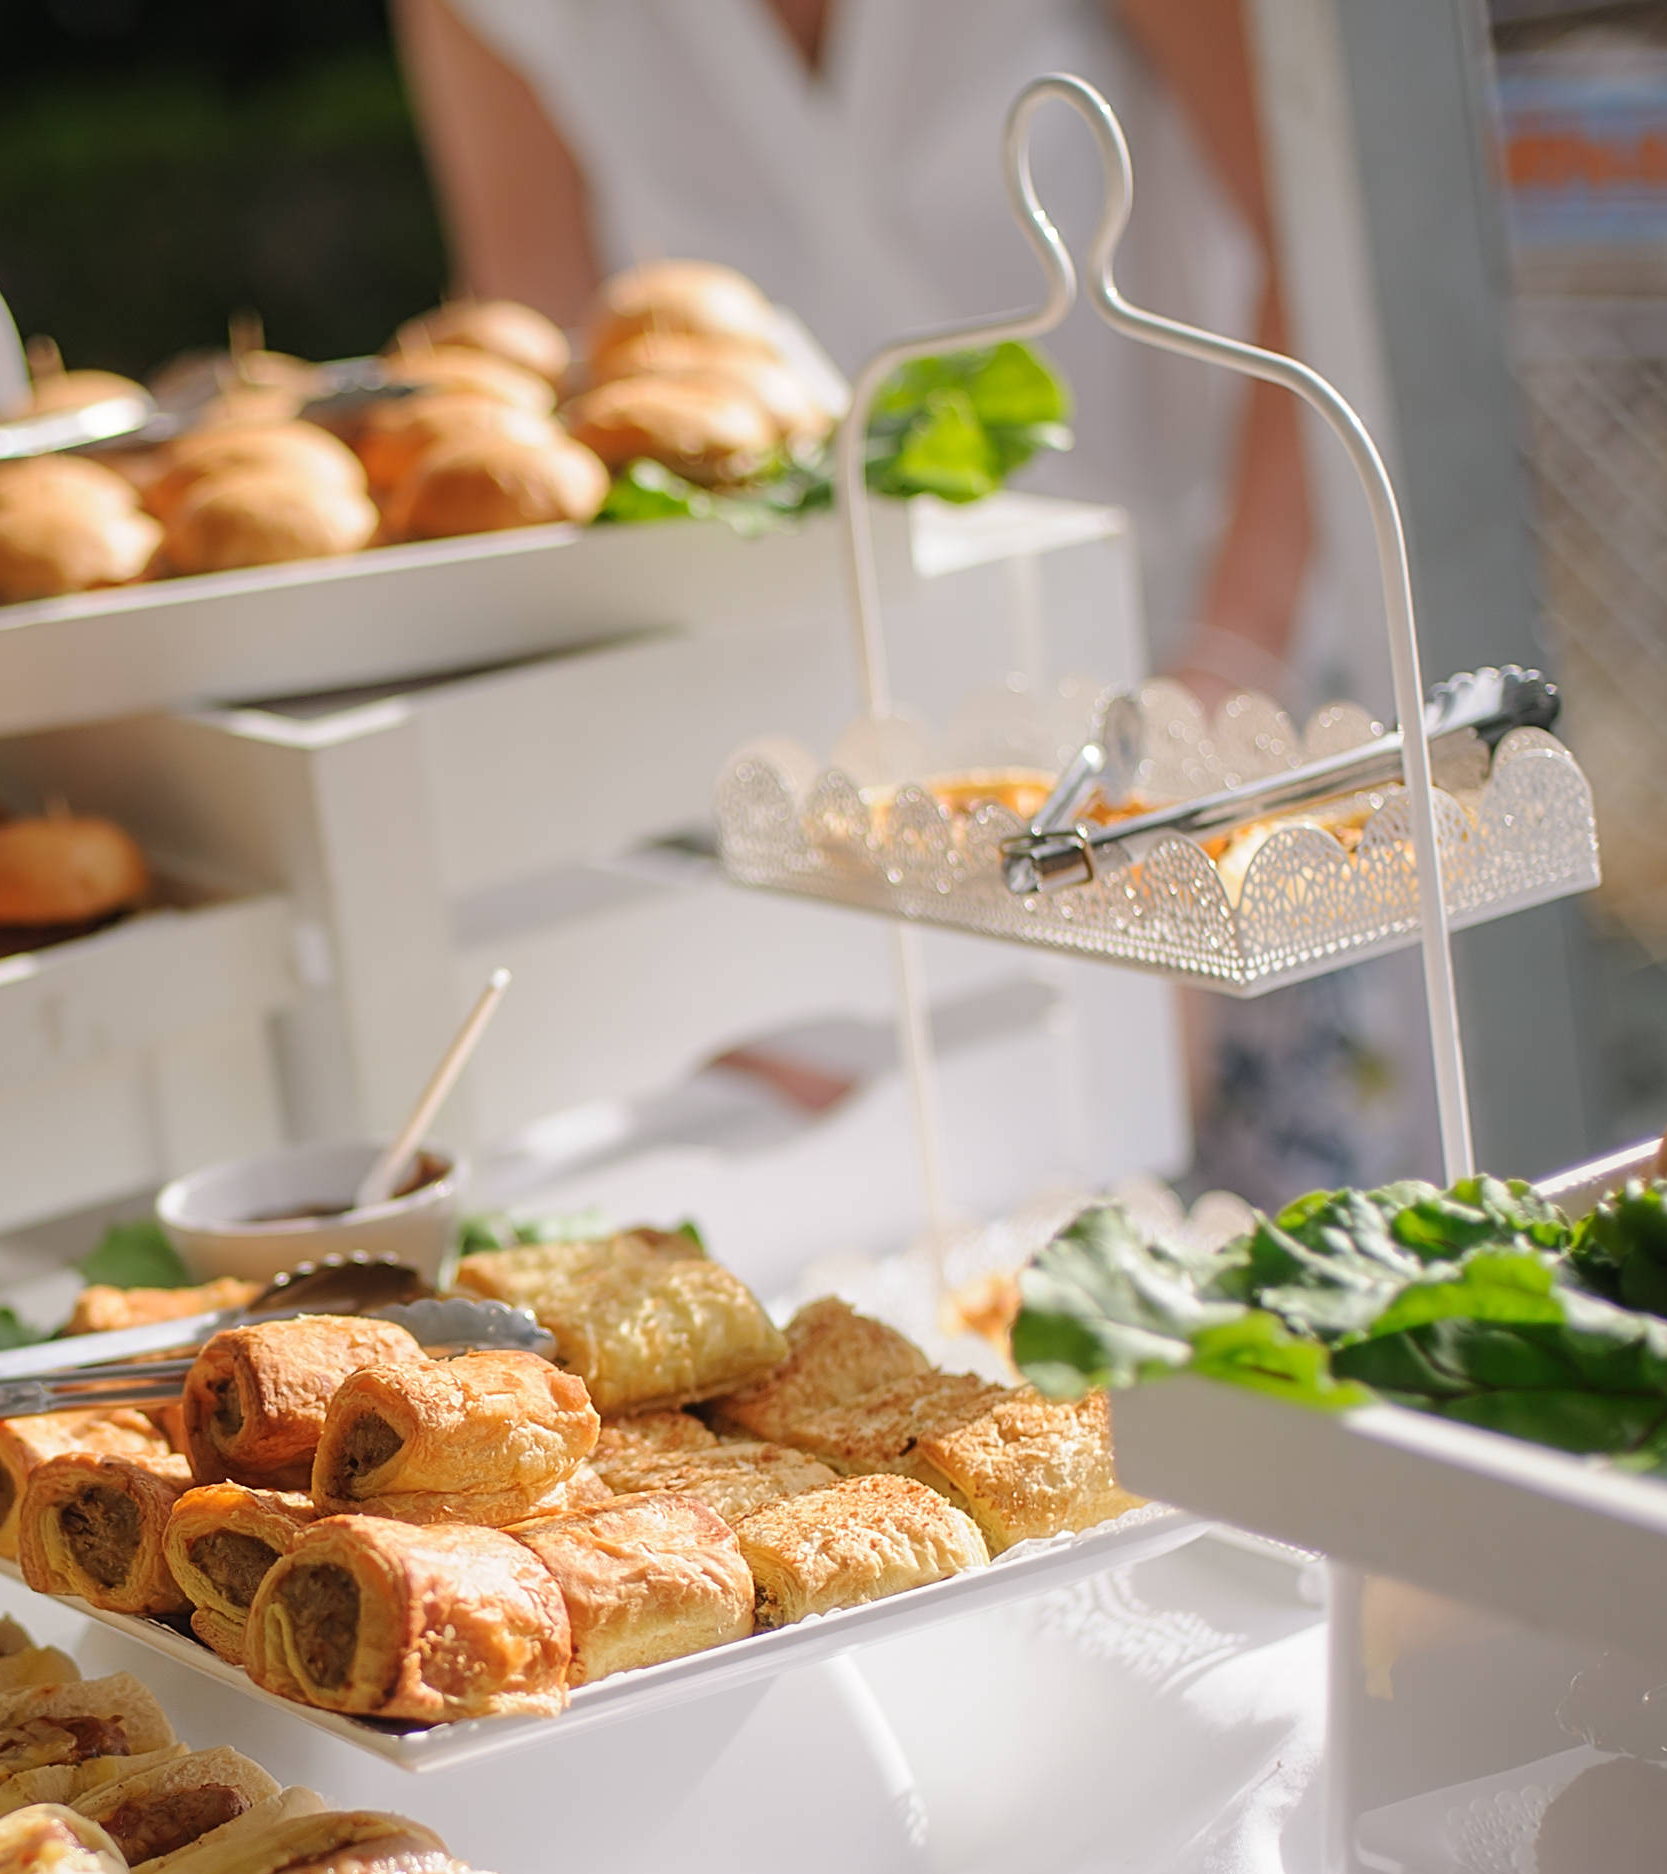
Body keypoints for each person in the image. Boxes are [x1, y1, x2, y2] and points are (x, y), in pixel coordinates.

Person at [397, 0, 1424, 1198]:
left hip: (1205, 675)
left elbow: (1326, 239)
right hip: (811, 766)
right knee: (894, 1260)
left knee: (1264, 1281)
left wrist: (1199, 739)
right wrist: (653, 896)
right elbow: (542, 373)